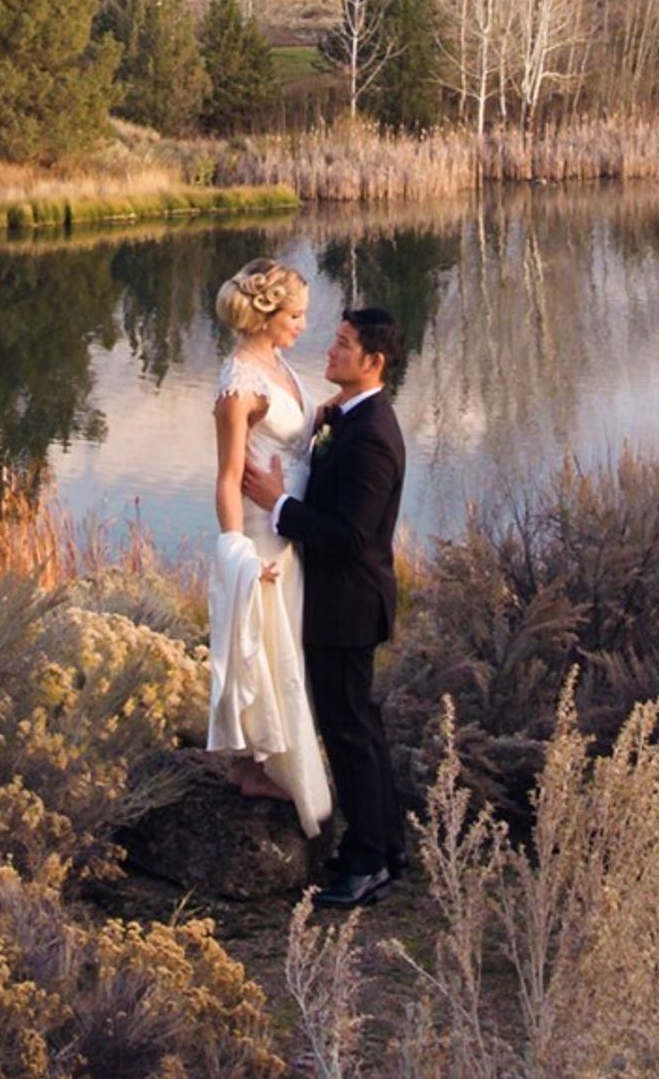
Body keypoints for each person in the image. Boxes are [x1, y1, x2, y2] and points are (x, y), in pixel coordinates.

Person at [242, 305, 408, 908]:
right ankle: (387, 846)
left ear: (373, 361)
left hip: (348, 607)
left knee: (349, 732)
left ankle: (366, 864)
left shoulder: (373, 439)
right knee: (359, 726)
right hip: (341, 604)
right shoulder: (351, 418)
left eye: (342, 345)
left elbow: (350, 536)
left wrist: (278, 505)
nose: (331, 351)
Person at [200, 260, 331, 837]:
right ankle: (254, 767)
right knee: (263, 641)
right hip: (261, 532)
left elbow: (295, 434)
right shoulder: (238, 387)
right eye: (296, 315)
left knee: (288, 644)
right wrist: (240, 556)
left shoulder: (274, 363)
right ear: (267, 314)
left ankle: (269, 755)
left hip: (289, 526)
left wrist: (331, 413)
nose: (304, 325)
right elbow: (229, 477)